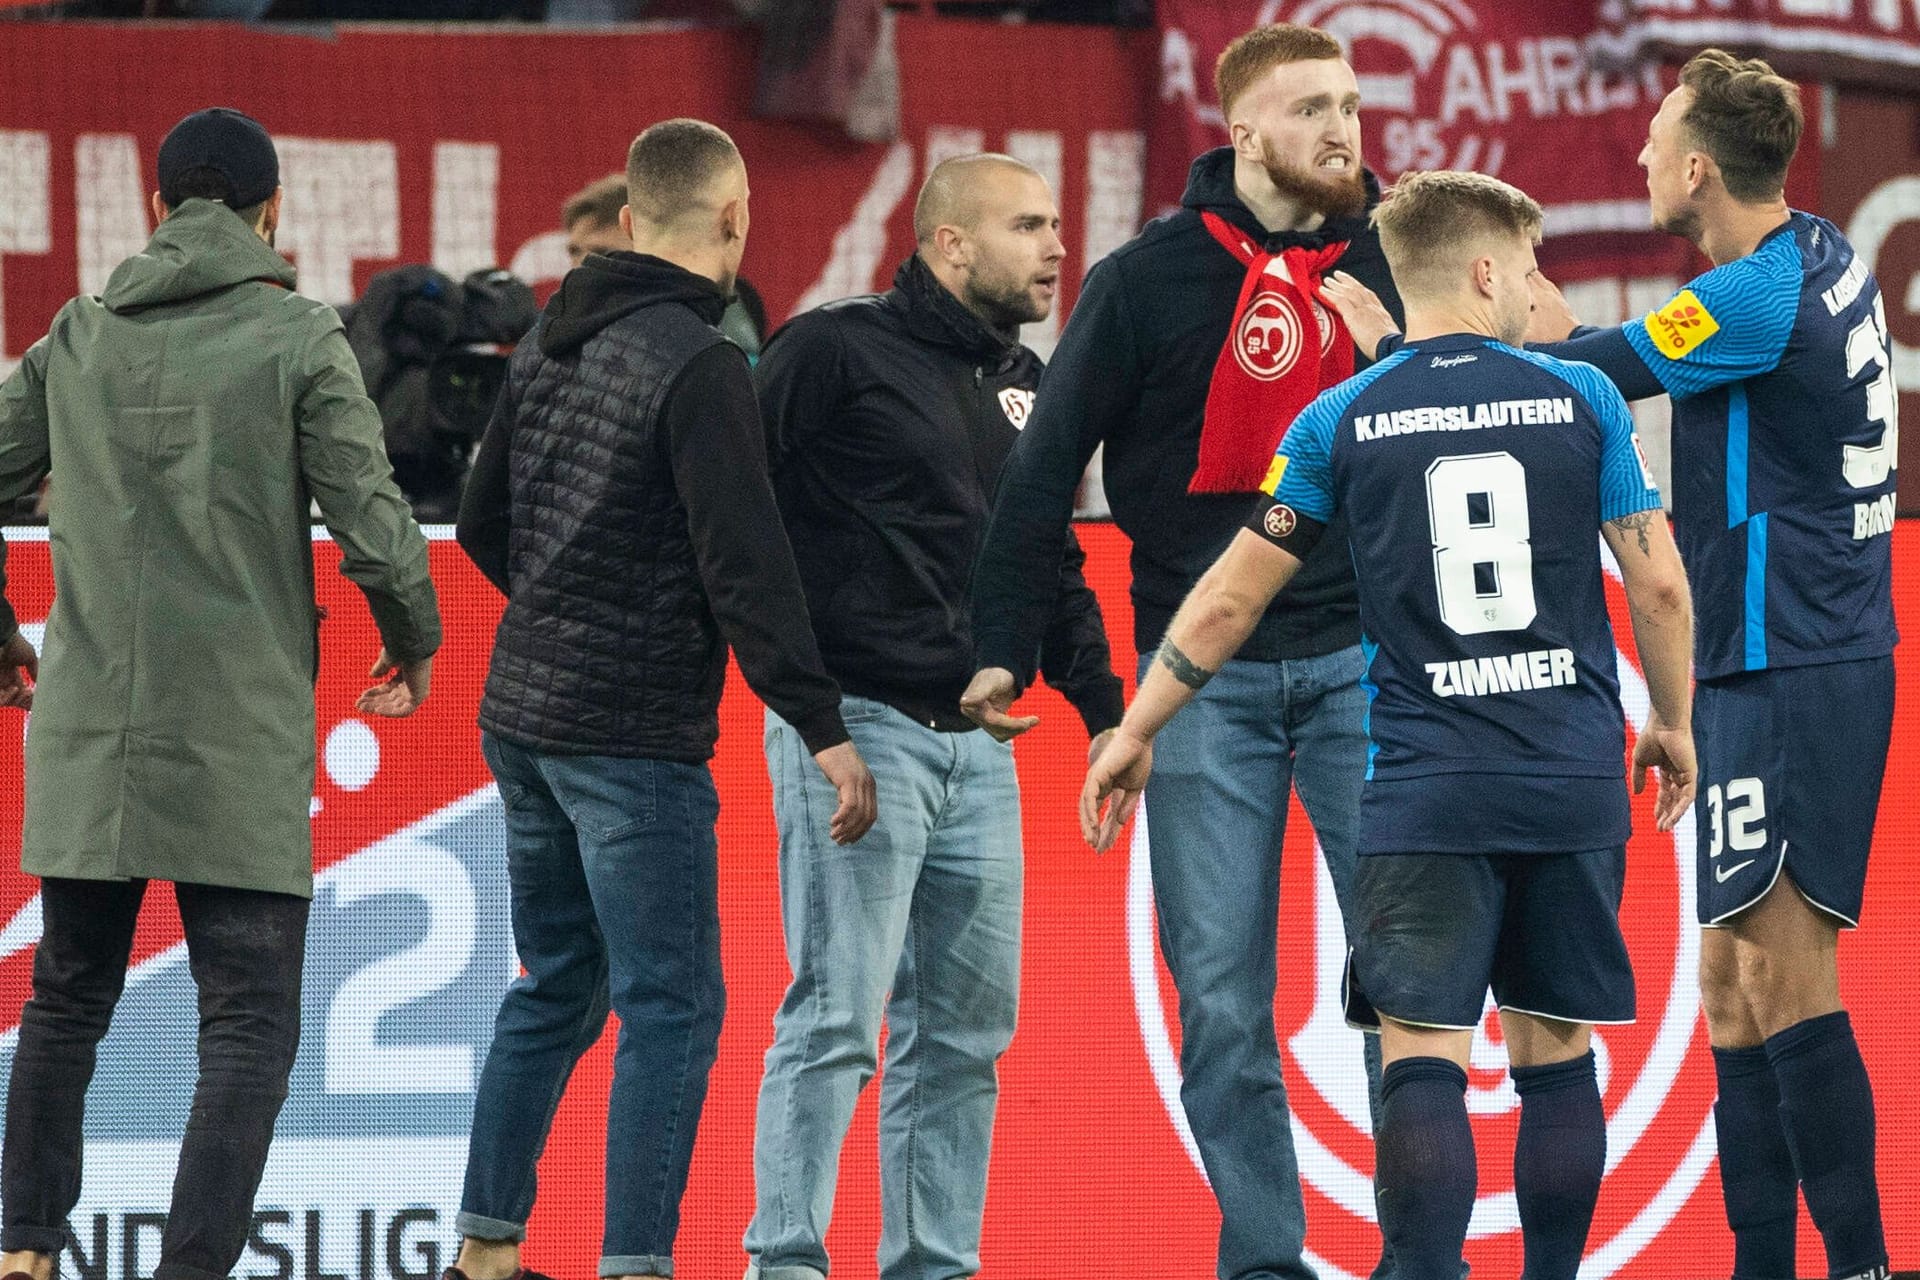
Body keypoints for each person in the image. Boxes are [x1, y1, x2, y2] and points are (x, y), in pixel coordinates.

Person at [1329, 50, 1899, 1280]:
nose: (1638, 156)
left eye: (1653, 140)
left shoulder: (1751, 300)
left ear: (1699, 166)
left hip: (1793, 650)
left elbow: (1583, 372)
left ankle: (1857, 1261)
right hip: (1789, 644)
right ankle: (1765, 1266)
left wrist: (1410, 350)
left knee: (1787, 972)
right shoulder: (1817, 255)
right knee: (1733, 981)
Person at [1086, 170, 1696, 1280]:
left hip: (1421, 786)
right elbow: (1656, 585)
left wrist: (1141, 722)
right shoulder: (1582, 399)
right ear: (1480, 270)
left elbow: (1232, 592)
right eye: (1526, 268)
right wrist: (1676, 723)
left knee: (1423, 1060)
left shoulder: (1339, 417)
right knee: (1555, 1052)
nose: (1533, 290)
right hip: (1566, 775)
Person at [964, 23, 1404, 1280]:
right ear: (1242, 130)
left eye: (1354, 105)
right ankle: (1265, 1261)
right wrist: (1004, 645)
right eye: (1312, 107)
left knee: (1408, 977)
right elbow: (1043, 470)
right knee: (1218, 1000)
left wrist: (1394, 340)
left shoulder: (1392, 258)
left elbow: (1492, 395)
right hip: (1198, 685)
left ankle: (1419, 1255)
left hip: (1368, 662)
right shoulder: (1147, 278)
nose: (1343, 129)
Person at [0, 107, 441, 1280]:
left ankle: (24, 1257)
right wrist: (414, 635)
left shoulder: (77, 334)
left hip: (91, 731)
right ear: (274, 211)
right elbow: (378, 524)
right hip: (239, 743)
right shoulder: (298, 337)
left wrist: (2, 633)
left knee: (65, 1003)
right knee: (245, 1028)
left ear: (154, 209)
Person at [448, 119, 877, 1280]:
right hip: (629, 733)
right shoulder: (701, 362)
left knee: (559, 981)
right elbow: (748, 567)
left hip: (523, 713)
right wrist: (822, 723)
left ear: (629, 220)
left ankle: (486, 1250)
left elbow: (483, 523)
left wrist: (565, 602)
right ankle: (635, 1262)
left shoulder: (545, 340)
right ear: (733, 218)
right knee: (674, 1007)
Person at [742, 153, 1123, 1280]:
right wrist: (813, 718)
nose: (1058, 246)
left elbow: (1051, 559)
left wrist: (1106, 710)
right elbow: (733, 527)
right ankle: (787, 1263)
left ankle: (930, 1265)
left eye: (1056, 224)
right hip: (856, 734)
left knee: (963, 1038)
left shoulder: (1030, 377)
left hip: (981, 754)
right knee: (836, 1021)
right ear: (949, 244)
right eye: (1029, 226)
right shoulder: (828, 349)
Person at [566, 171, 768, 359]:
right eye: (574, 251)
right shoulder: (556, 330)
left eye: (603, 253)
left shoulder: (723, 317)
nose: (581, 266)